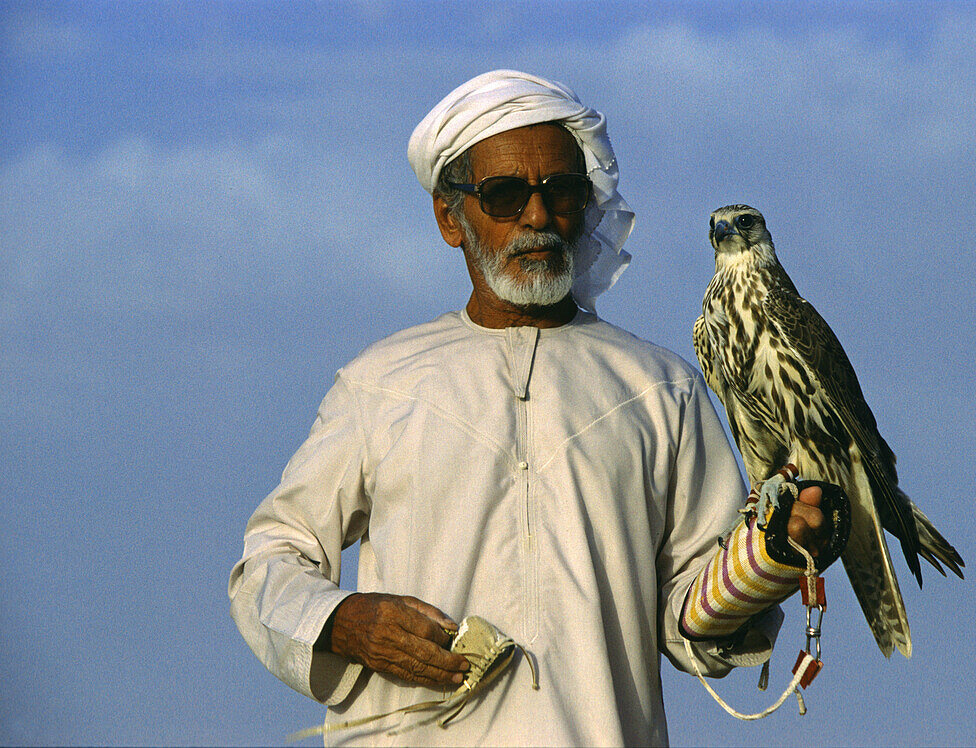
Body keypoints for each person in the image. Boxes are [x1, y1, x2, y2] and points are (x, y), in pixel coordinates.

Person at [229, 70, 842, 747]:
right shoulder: (380, 384)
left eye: (562, 193)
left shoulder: (660, 389)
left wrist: (772, 554)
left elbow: (691, 619)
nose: (537, 217)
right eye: (504, 194)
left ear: (588, 206)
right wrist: (348, 621)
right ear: (448, 217)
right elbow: (271, 562)